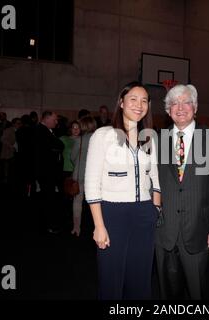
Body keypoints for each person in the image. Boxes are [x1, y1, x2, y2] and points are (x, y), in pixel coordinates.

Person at [85, 81, 161, 300]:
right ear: (121, 102)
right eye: (133, 99)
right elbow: (91, 182)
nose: (139, 105)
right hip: (112, 214)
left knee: (140, 280)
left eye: (144, 100)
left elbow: (155, 176)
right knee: (111, 281)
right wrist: (99, 225)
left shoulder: (149, 137)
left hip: (145, 214)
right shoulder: (103, 135)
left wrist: (155, 208)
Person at [155, 84, 209, 299]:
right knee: (167, 294)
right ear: (168, 111)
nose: (180, 107)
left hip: (200, 231)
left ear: (195, 107)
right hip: (164, 232)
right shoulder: (157, 139)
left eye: (186, 102)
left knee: (199, 292)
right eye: (174, 103)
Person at [34, 111, 65, 234]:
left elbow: (57, 146)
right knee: (48, 199)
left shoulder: (46, 130)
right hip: (46, 172)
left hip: (47, 171)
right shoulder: (41, 131)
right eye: (54, 120)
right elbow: (58, 145)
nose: (56, 122)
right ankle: (49, 225)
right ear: (46, 119)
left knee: (48, 198)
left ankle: (48, 224)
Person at [71, 116, 96, 236]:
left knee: (77, 202)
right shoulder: (98, 139)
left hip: (80, 175)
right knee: (95, 202)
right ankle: (97, 227)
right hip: (94, 176)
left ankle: (77, 228)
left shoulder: (79, 140)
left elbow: (72, 158)